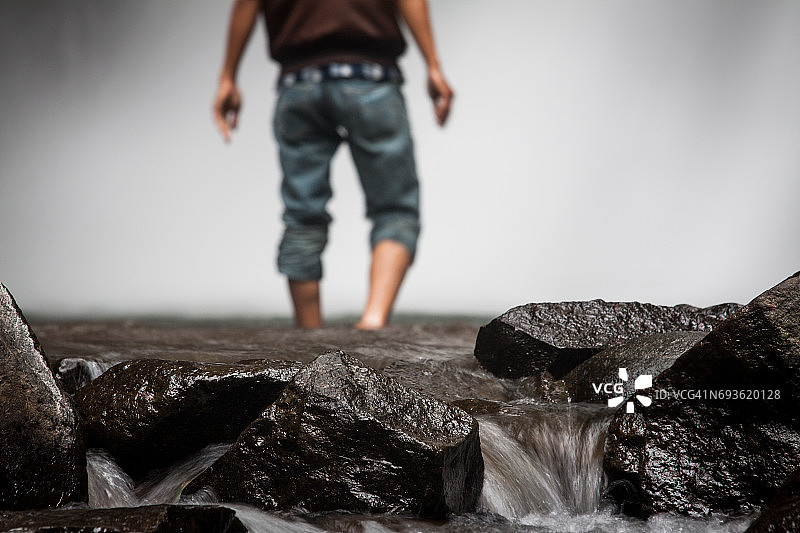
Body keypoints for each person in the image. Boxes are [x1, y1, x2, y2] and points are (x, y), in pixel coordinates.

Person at [213, 0, 453, 329]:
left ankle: (310, 340)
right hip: (371, 78)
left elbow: (246, 4)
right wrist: (433, 66)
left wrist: (228, 77)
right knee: (395, 211)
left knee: (302, 216)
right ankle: (371, 325)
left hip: (299, 85)